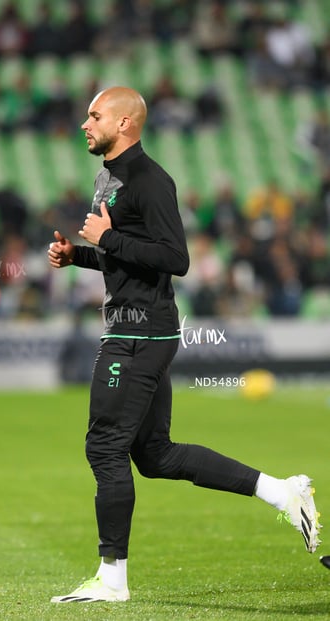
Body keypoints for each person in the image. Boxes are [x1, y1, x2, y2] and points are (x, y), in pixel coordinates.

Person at [47, 86, 321, 604]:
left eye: (94, 115)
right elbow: (128, 257)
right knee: (153, 454)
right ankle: (281, 491)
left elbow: (176, 257)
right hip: (138, 328)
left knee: (104, 446)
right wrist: (78, 257)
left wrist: (106, 241)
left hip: (137, 332)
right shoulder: (109, 176)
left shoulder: (150, 181)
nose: (85, 123)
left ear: (125, 123)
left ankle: (112, 579)